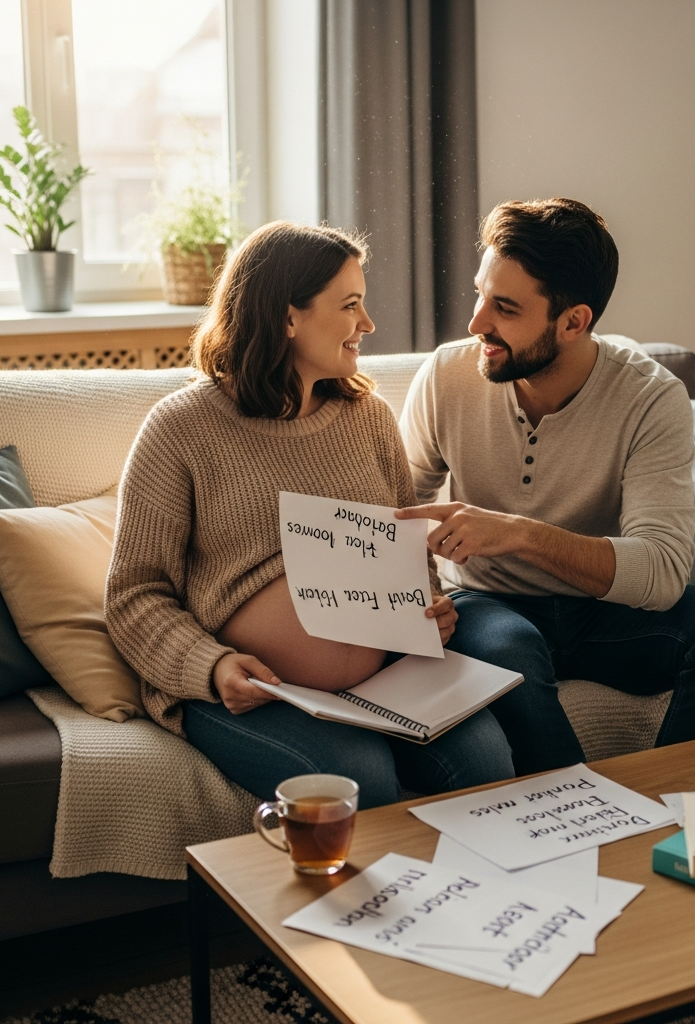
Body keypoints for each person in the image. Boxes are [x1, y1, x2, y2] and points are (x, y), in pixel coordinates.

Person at [105, 221, 514, 806]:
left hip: (389, 679)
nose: (367, 324)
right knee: (358, 781)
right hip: (254, 693)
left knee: (486, 762)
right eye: (350, 306)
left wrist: (426, 613)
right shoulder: (180, 429)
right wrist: (211, 666)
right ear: (287, 317)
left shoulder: (367, 417)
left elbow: (405, 547)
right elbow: (133, 593)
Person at [397, 198, 695, 776]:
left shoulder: (649, 397)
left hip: (601, 611)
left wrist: (519, 535)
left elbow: (665, 571)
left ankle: (678, 807)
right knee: (508, 653)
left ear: (573, 322)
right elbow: (395, 511)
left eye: (505, 308)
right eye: (479, 293)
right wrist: (418, 597)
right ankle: (585, 817)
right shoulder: (446, 376)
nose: (476, 324)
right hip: (487, 604)